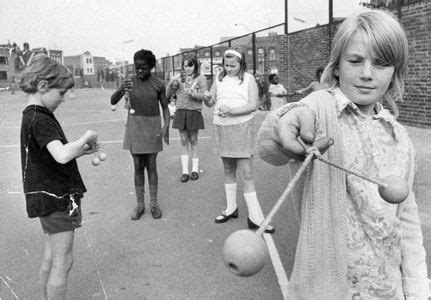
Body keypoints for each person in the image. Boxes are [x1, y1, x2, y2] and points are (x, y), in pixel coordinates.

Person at [256, 10, 428, 298]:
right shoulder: (321, 110)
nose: (367, 73)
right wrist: (288, 123)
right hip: (330, 289)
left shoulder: (400, 137)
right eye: (355, 60)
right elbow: (269, 147)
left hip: (388, 288)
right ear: (336, 67)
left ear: (395, 72)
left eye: (382, 64)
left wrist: (417, 288)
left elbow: (407, 221)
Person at [19, 54, 98, 299]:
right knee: (63, 262)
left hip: (46, 198)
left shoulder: (30, 116)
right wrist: (85, 138)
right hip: (58, 199)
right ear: (43, 86)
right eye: (60, 93)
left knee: (51, 258)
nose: (63, 99)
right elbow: (62, 155)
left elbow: (54, 156)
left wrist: (81, 151)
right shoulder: (41, 119)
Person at [204, 47, 274, 233]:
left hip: (242, 127)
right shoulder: (218, 78)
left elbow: (253, 105)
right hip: (222, 126)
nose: (229, 68)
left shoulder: (249, 79)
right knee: (228, 170)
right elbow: (211, 103)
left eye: (233, 65)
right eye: (226, 65)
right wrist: (207, 98)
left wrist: (231, 111)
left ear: (241, 63)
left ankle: (255, 217)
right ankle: (231, 208)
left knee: (247, 174)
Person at [110, 49, 170, 220]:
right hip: (134, 126)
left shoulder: (158, 84)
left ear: (151, 66)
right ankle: (140, 205)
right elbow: (113, 101)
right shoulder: (129, 82)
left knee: (151, 166)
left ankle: (154, 205)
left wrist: (166, 125)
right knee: (137, 166)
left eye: (143, 67)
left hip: (152, 127)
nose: (140, 71)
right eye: (137, 68)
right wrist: (122, 88)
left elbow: (165, 108)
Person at [166, 53, 207, 182]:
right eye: (186, 66)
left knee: (193, 139)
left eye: (191, 65)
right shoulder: (179, 78)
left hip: (194, 111)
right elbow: (168, 94)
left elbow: (205, 96)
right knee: (184, 140)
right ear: (182, 66)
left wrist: (194, 94)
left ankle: (194, 170)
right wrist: (172, 84)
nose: (188, 68)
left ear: (195, 65)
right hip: (181, 112)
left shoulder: (201, 78)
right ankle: (185, 172)